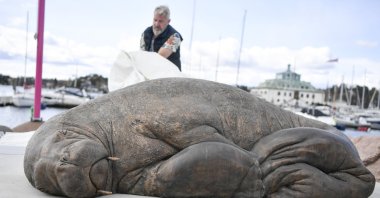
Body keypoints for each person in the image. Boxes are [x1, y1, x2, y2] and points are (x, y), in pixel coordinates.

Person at [140, 5, 183, 71]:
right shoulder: (146, 33)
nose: (156, 24)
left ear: (168, 21)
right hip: (150, 73)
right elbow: (141, 55)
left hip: (172, 76)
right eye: (155, 20)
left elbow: (160, 58)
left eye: (160, 21)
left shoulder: (176, 37)